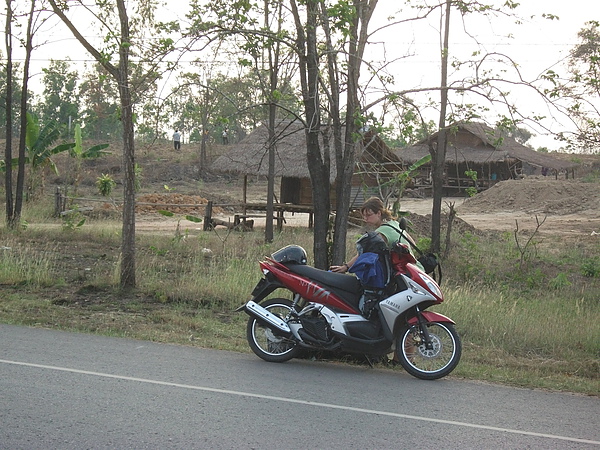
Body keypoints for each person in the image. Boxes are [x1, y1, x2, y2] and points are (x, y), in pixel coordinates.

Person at [330, 197, 419, 273]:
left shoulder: (381, 232)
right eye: (364, 216)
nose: (365, 219)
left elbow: (363, 252)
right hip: (416, 270)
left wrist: (346, 267)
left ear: (379, 213)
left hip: (407, 274)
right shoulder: (394, 223)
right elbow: (412, 243)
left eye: (368, 215)